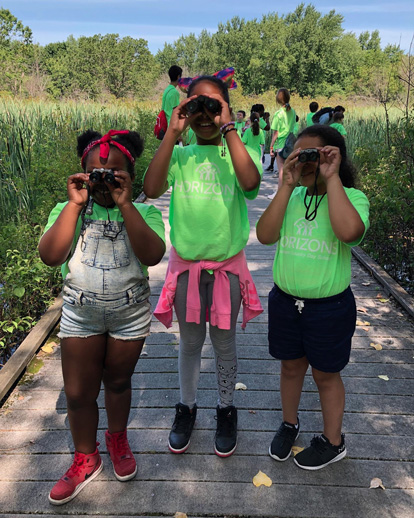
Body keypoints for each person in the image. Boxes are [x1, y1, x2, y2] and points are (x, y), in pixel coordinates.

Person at [39, 129, 166, 505]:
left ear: (130, 176)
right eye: (95, 173)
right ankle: (85, 456)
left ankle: (117, 438)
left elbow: (153, 255)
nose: (103, 181)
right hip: (81, 313)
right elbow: (51, 255)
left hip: (130, 313)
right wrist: (74, 205)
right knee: (78, 393)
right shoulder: (69, 209)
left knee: (119, 382)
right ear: (81, 173)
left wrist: (127, 205)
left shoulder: (144, 211)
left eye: (114, 174)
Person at [144, 75, 263, 458]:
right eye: (198, 107)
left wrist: (230, 129)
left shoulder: (237, 152)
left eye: (215, 106)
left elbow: (250, 184)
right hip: (187, 269)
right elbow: (152, 186)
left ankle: (226, 408)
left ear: (227, 109)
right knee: (191, 342)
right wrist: (172, 133)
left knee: (224, 344)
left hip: (227, 268)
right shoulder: (180, 156)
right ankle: (187, 406)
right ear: (186, 111)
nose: (206, 115)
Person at [256, 125, 370, 470]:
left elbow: (350, 232)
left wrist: (332, 179)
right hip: (285, 302)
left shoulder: (353, 197)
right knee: (290, 367)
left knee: (326, 374)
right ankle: (290, 424)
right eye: (299, 155)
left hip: (329, 308)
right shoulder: (291, 196)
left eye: (312, 157)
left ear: (332, 157)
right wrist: (286, 184)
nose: (304, 164)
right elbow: (264, 235)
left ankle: (334, 442)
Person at [268, 88, 296, 199]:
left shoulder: (278, 114)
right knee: (290, 169)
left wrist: (271, 146)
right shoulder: (292, 111)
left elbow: (275, 133)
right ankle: (290, 191)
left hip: (281, 144)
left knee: (281, 170)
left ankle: (279, 193)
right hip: (291, 142)